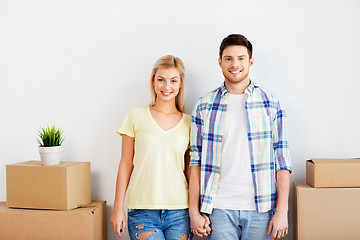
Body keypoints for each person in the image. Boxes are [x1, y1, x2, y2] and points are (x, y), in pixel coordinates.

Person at [189, 34, 292, 240]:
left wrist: (282, 212)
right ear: (220, 62)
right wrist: (194, 211)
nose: (234, 64)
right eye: (228, 58)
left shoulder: (271, 103)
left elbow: (282, 161)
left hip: (261, 209)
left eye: (241, 58)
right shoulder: (204, 104)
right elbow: (195, 161)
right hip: (217, 209)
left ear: (250, 62)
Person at [111, 55, 192, 240]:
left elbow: (190, 170)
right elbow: (125, 163)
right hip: (142, 211)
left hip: (180, 211)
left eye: (173, 80)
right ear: (153, 82)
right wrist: (118, 208)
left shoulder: (190, 123)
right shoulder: (136, 115)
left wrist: (197, 210)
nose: (166, 86)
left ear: (180, 85)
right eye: (161, 80)